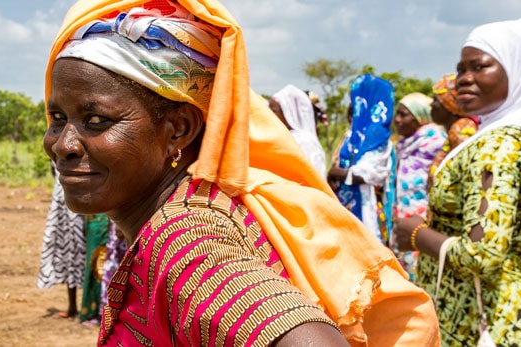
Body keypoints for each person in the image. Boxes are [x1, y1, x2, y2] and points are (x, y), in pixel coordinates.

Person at [45, 1, 439, 345]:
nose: (63, 144)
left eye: (96, 120)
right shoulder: (194, 210)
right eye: (57, 117)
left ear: (178, 129)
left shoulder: (185, 241)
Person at [393, 19, 521, 346]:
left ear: (516, 70)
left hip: (486, 319)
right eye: (461, 69)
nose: (464, 79)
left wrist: (416, 234)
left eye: (479, 67)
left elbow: (481, 256)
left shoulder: (497, 147)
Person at [327, 74, 395, 238]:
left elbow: (367, 174)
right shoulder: (353, 135)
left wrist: (335, 173)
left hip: (366, 211)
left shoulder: (377, 136)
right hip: (345, 206)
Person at [389, 92, 446, 277]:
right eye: (397, 114)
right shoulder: (404, 144)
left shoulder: (436, 142)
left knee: (420, 266)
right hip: (402, 214)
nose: (397, 120)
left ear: (420, 117)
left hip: (423, 217)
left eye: (404, 115)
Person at [37, 170, 86, 319]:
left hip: (81, 200)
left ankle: (90, 307)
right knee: (69, 252)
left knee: (87, 252)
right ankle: (73, 306)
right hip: (63, 204)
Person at [269, 84, 328, 173]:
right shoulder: (286, 137)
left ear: (288, 113)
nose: (270, 116)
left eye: (273, 111)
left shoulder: (303, 142)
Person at [428, 73, 479, 176]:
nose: (431, 104)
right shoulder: (455, 130)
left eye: (436, 100)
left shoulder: (461, 129)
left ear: (450, 104)